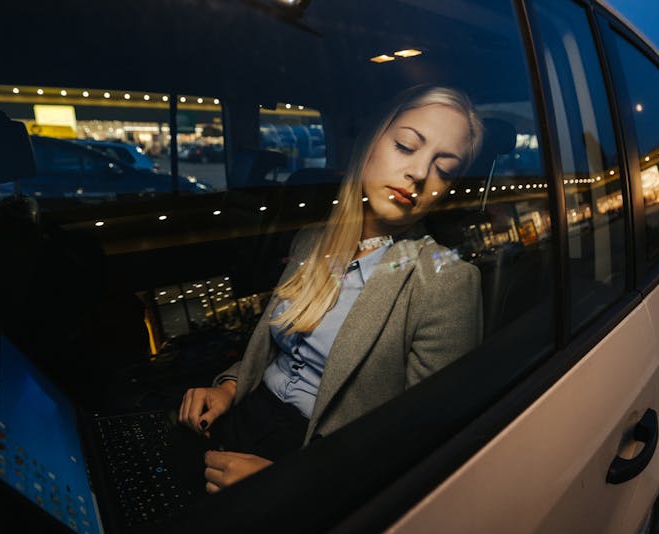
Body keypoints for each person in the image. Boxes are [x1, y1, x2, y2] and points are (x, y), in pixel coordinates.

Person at [178, 85, 485, 494]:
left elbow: (423, 445)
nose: (419, 173)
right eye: (406, 146)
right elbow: (271, 348)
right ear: (371, 141)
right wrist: (228, 388)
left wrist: (288, 486)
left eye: (444, 169)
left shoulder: (445, 281)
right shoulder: (310, 241)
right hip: (243, 416)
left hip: (321, 465)